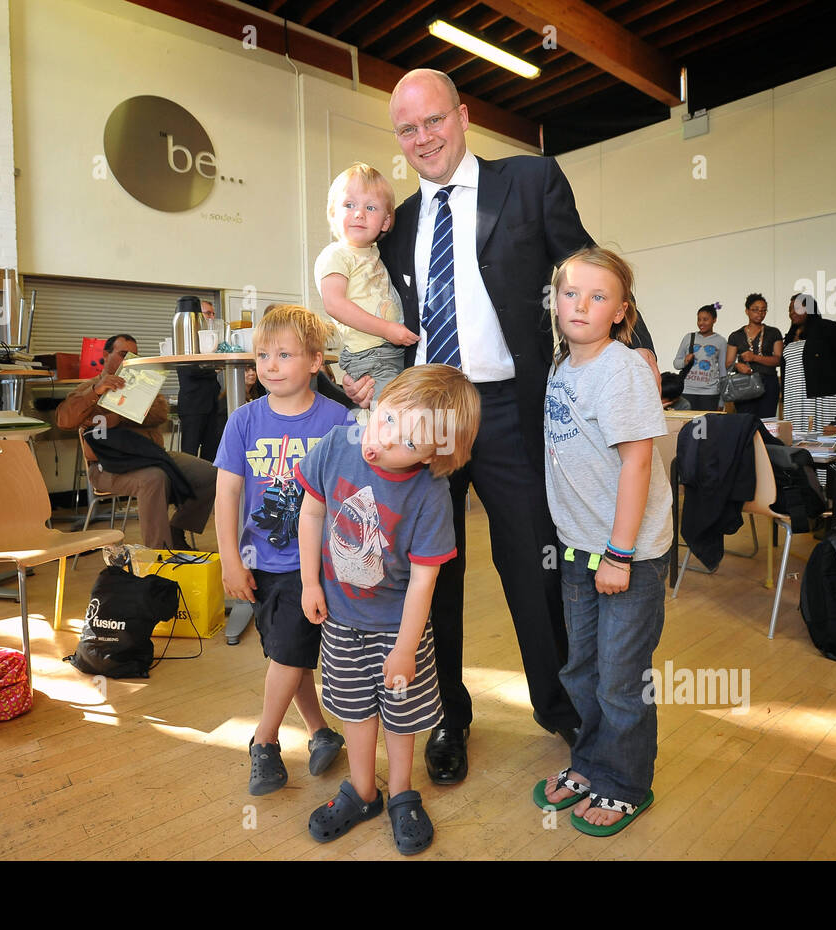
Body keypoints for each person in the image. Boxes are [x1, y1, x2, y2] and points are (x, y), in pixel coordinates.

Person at [340, 69, 657, 785]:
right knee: (431, 571)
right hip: (425, 417)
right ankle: (449, 713)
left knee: (533, 562)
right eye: (407, 130)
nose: (423, 138)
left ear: (463, 115)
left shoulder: (531, 181)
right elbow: (367, 307)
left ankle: (560, 705)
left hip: (511, 409)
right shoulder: (401, 226)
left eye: (434, 121)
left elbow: (587, 265)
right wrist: (356, 373)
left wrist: (637, 344)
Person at [295, 365, 480, 854]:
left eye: (409, 442)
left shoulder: (431, 494)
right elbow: (311, 510)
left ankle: (400, 792)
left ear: (436, 457)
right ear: (381, 399)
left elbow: (425, 581)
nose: (386, 439)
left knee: (401, 718)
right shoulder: (338, 444)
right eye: (388, 418)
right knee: (355, 712)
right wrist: (310, 581)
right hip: (339, 621)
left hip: (398, 632)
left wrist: (404, 649)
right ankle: (362, 791)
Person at [534, 248, 672, 836]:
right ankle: (592, 763)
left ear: (621, 312)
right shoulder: (561, 367)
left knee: (620, 676)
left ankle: (625, 782)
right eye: (571, 294)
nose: (581, 306)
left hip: (627, 554)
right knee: (581, 669)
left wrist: (618, 553)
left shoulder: (621, 370)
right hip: (578, 547)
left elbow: (638, 464)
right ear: (556, 301)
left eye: (598, 297)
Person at [213, 306, 354, 796]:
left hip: (315, 563)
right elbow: (227, 494)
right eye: (263, 356)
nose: (271, 365)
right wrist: (229, 558)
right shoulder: (243, 421)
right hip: (260, 561)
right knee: (285, 654)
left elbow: (354, 491)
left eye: (285, 355)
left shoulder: (338, 420)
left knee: (290, 648)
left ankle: (265, 741)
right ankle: (320, 732)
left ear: (316, 361)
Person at [56, 334, 216, 550]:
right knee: (154, 478)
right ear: (106, 355)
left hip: (154, 456)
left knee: (211, 474)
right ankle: (159, 554)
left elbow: (161, 412)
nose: (129, 360)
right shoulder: (89, 388)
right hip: (108, 465)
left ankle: (175, 531)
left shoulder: (142, 384)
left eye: (133, 355)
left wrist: (119, 416)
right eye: (123, 354)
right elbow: (64, 420)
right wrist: (96, 392)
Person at [315, 163, 417, 394]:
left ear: (386, 222)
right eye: (349, 205)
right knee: (393, 419)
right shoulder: (336, 254)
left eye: (371, 208)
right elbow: (334, 304)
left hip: (390, 350)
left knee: (401, 413)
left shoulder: (375, 253)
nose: (359, 213)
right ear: (333, 213)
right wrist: (387, 329)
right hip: (371, 355)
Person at [780, 292, 836, 434]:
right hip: (795, 397)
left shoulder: (828, 328)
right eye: (790, 310)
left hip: (822, 397)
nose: (792, 313)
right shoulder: (790, 336)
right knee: (797, 438)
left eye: (797, 308)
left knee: (825, 437)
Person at [174, 298, 225, 461]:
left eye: (213, 313)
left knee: (212, 451)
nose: (211, 317)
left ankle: (209, 485)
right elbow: (189, 370)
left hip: (212, 404)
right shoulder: (185, 337)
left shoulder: (211, 339)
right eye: (207, 313)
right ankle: (186, 486)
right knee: (189, 452)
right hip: (193, 405)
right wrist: (214, 368)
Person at [725, 293, 783, 419]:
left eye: (763, 310)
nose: (760, 313)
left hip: (768, 381)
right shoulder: (736, 335)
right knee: (745, 421)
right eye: (755, 310)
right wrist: (737, 366)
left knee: (767, 422)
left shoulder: (774, 332)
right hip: (744, 382)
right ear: (747, 311)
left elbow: (778, 359)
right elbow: (728, 363)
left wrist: (755, 358)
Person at [672, 304, 727, 410]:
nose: (701, 323)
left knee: (708, 425)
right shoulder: (689, 338)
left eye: (705, 319)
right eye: (699, 319)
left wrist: (721, 400)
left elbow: (723, 371)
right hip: (687, 390)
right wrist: (684, 361)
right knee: (687, 424)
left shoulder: (721, 341)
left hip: (710, 392)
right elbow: (676, 364)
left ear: (714, 320)